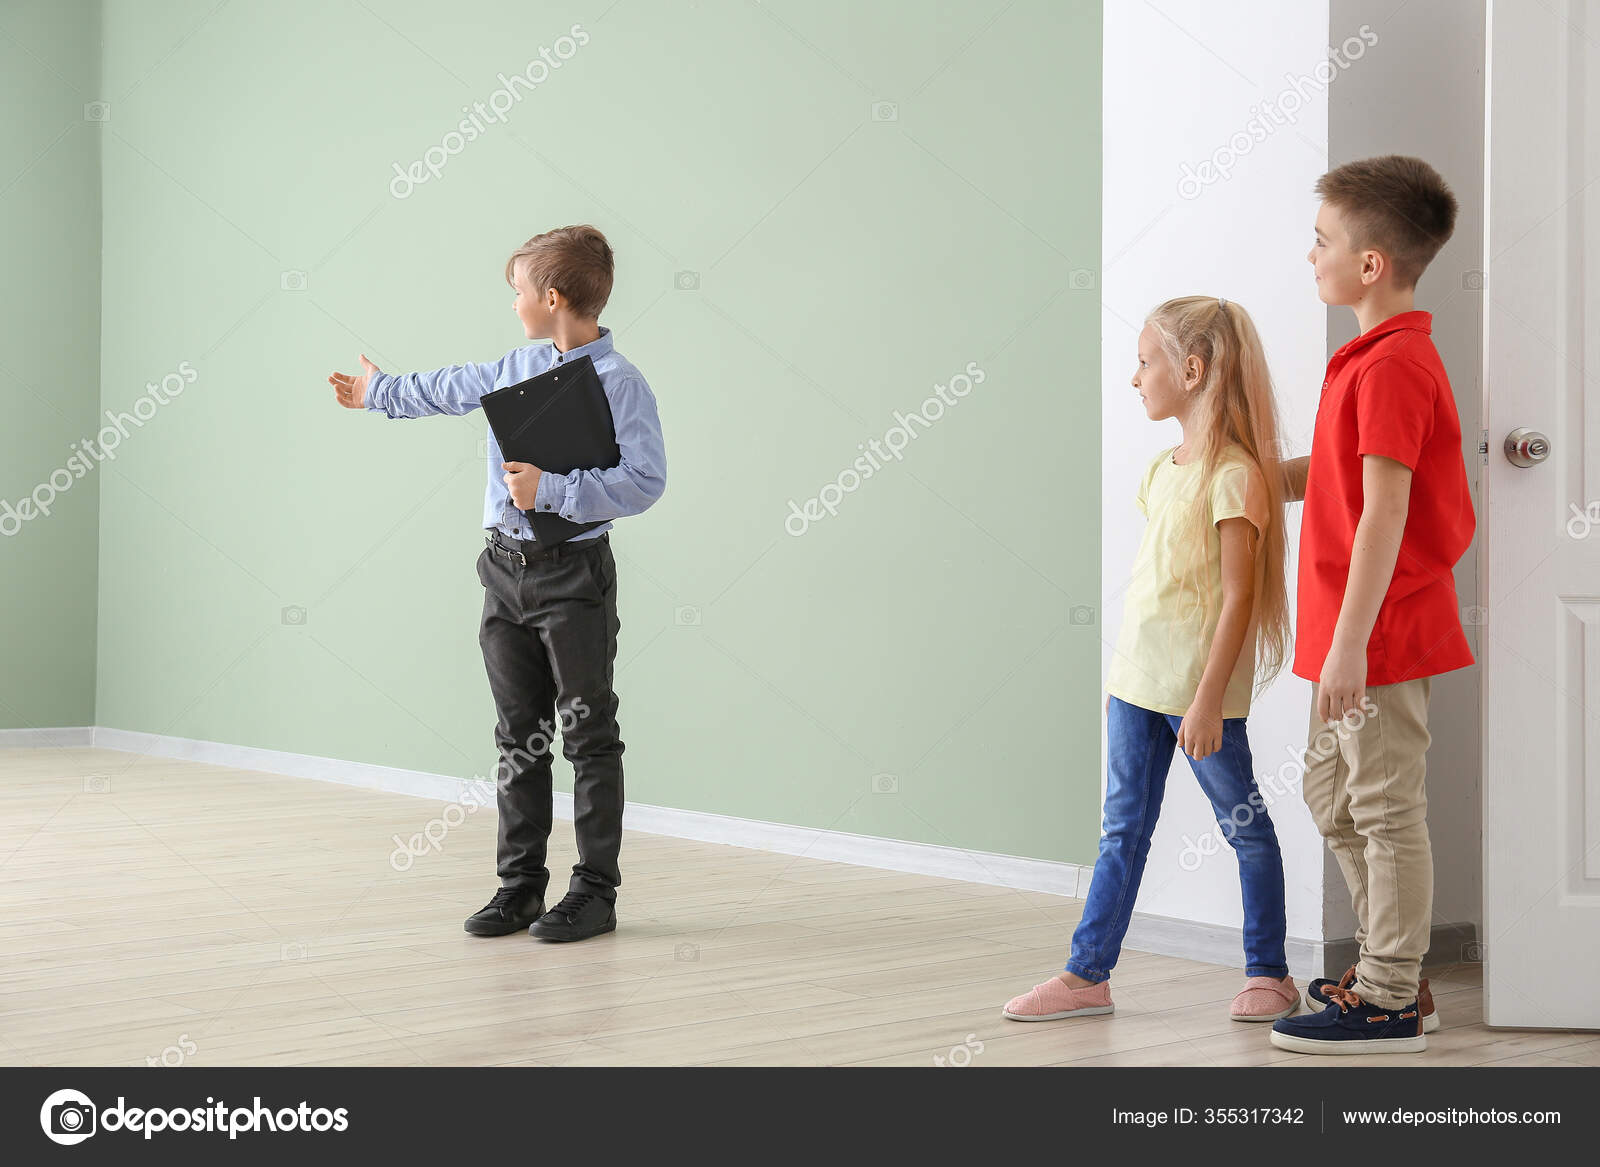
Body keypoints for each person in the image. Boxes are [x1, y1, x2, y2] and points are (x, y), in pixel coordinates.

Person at [327, 224, 666, 943]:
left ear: (551, 297)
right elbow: (450, 386)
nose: (512, 304)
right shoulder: (518, 364)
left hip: (573, 577)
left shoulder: (620, 383)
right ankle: (520, 888)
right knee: (519, 737)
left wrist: (553, 491)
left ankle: (595, 893)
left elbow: (643, 481)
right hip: (503, 572)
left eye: (518, 292)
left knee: (588, 735)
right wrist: (375, 390)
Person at [1003, 295, 1296, 1025]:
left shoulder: (1234, 476)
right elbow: (1156, 590)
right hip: (1137, 686)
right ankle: (1086, 974)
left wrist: (1203, 701)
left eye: (1144, 361)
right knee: (1121, 830)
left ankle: (1271, 972)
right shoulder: (1163, 470)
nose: (1135, 377)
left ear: (1191, 370)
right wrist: (1122, 683)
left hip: (1197, 696)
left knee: (1244, 825)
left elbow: (1237, 599)